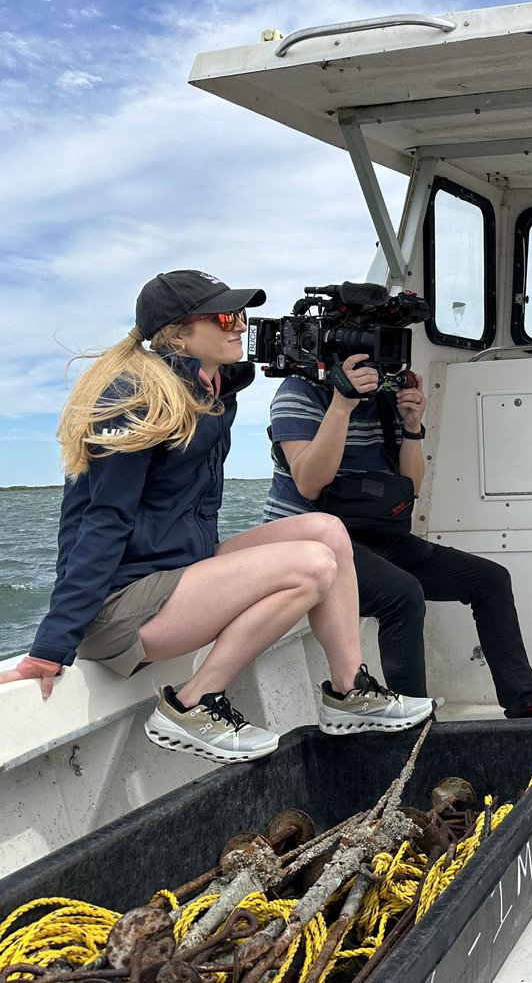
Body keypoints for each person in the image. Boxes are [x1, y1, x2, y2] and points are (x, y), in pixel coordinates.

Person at [0, 270, 434, 763]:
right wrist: (51, 646)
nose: (239, 327)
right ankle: (192, 703)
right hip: (121, 607)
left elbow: (254, 367)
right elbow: (103, 521)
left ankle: (348, 691)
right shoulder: (134, 397)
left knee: (326, 530)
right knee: (311, 565)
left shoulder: (207, 389)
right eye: (225, 316)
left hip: (176, 573)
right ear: (176, 334)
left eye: (242, 316)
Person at [263, 355, 532, 718]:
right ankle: (414, 729)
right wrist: (341, 406)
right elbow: (309, 482)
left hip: (376, 534)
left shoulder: (383, 398)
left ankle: (525, 709)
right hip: (314, 543)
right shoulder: (297, 392)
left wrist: (412, 426)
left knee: (490, 580)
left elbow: (410, 486)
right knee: (403, 594)